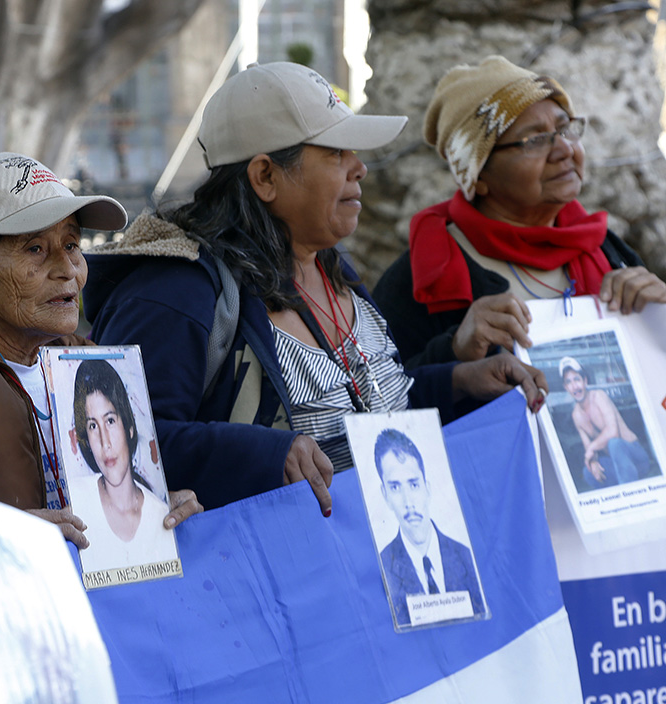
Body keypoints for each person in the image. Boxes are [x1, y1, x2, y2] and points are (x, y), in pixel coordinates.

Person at [83, 62, 546, 512]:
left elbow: (363, 421)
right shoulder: (176, 289)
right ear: (265, 176)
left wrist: (456, 383)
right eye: (336, 152)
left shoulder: (331, 269)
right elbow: (119, 444)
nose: (359, 168)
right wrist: (265, 455)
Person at [0, 153, 203, 548]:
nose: (68, 268)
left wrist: (152, 512)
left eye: (71, 243)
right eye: (35, 248)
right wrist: (5, 538)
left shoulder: (89, 360)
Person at [373, 56, 666, 371]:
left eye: (565, 128)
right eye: (536, 140)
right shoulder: (422, 276)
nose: (565, 149)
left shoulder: (606, 250)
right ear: (479, 176)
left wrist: (659, 316)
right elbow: (384, 398)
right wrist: (455, 350)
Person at [69, 359, 178, 569]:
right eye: (93, 426)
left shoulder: (159, 512)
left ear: (128, 426)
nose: (105, 442)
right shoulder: (76, 502)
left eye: (110, 420)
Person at [374, 428, 484, 625]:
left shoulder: (466, 556)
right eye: (395, 487)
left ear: (427, 488)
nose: (409, 502)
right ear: (385, 496)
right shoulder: (381, 567)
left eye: (414, 484)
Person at [559, 357, 650, 489]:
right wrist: (594, 462)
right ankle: (618, 497)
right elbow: (588, 448)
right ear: (566, 387)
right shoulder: (576, 415)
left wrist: (591, 448)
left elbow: (613, 432)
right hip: (618, 464)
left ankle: (631, 492)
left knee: (614, 444)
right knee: (588, 472)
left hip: (637, 459)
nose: (574, 386)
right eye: (569, 382)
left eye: (577, 379)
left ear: (585, 381)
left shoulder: (599, 396)